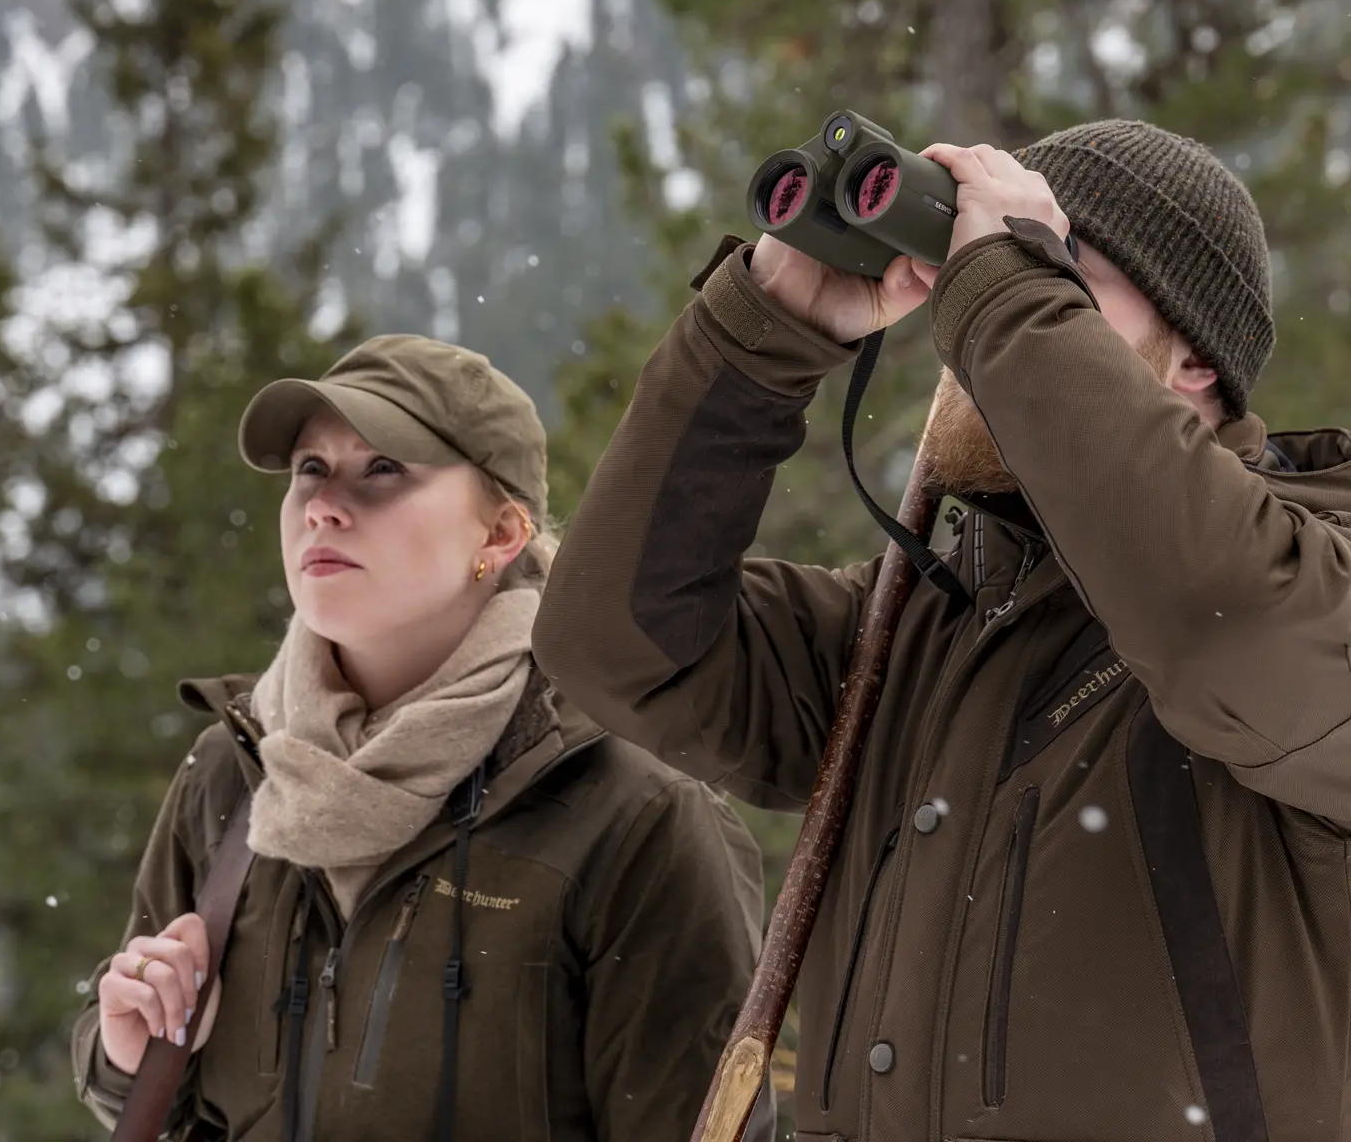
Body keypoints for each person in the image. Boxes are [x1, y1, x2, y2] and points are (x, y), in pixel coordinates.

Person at [534, 122, 1351, 1141]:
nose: (977, 310)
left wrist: (1005, 285)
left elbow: (1217, 620)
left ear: (1193, 358)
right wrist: (765, 330)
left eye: (1061, 267)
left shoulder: (1316, 573)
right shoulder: (912, 628)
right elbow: (614, 641)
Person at [70, 333, 775, 1142]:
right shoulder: (236, 770)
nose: (323, 507)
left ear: (501, 535)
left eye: (382, 470)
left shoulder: (631, 810)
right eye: (310, 469)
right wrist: (128, 1055)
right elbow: (163, 1102)